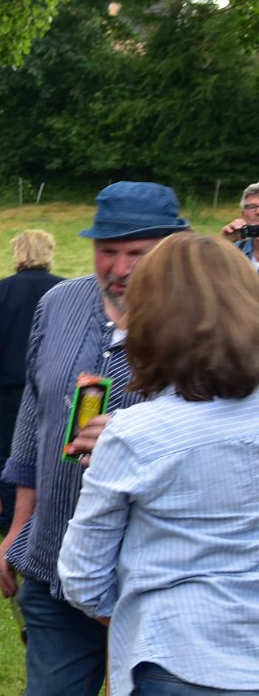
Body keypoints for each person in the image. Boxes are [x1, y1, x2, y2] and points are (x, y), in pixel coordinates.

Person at [0, 182, 190, 696]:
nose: (120, 270)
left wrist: (132, 440)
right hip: (53, 565)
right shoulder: (58, 303)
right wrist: (19, 531)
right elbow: (32, 425)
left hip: (150, 581)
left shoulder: (197, 326)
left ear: (171, 249)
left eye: (137, 255)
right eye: (108, 252)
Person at [59, 232, 259, 696]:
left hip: (179, 658)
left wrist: (145, 609)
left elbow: (84, 577)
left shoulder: (135, 435)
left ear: (151, 319)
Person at [0, 230, 64, 535]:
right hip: (54, 385)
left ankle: (8, 520)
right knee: (52, 451)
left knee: (9, 453)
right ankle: (49, 515)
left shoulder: (4, 291)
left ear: (18, 253)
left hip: (13, 388)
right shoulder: (63, 288)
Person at [219, 181, 259, 271]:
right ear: (243, 215)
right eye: (252, 206)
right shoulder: (235, 251)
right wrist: (222, 244)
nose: (258, 212)